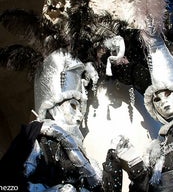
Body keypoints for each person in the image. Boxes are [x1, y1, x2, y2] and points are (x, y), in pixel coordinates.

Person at [102, 18, 173, 191]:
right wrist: (134, 162)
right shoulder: (158, 148)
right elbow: (146, 188)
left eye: (168, 94)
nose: (163, 102)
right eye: (157, 99)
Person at [0, 49, 102, 192]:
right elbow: (7, 186)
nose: (80, 116)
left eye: (81, 110)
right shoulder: (38, 142)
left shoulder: (86, 156)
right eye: (73, 106)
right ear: (53, 107)